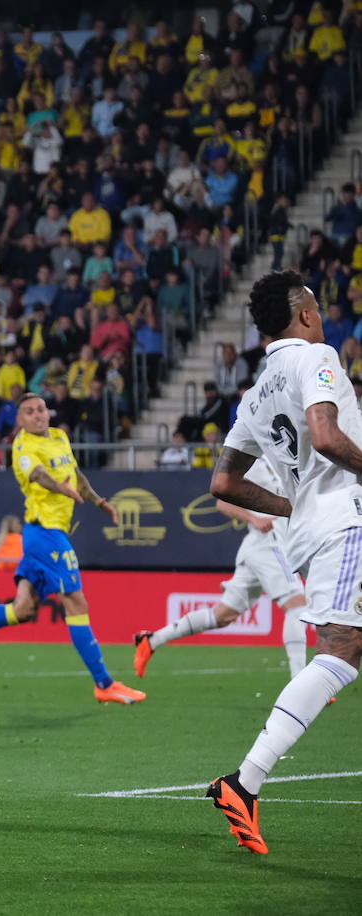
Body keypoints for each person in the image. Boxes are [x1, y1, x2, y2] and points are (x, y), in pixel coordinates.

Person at [204, 269, 362, 855]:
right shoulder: (314, 357)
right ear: (304, 314)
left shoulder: (255, 391)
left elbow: (223, 482)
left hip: (311, 531)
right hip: (345, 520)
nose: (321, 315)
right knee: (341, 647)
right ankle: (244, 782)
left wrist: (287, 504)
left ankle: (244, 784)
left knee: (349, 644)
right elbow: (324, 436)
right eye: (316, 306)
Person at [0, 391, 147, 705]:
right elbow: (38, 475)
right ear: (20, 419)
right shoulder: (23, 446)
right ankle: (104, 683)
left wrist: (99, 502)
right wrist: (60, 487)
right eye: (30, 411)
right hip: (45, 535)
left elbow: (77, 475)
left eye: (41, 409)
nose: (38, 415)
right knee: (76, 602)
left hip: (42, 533)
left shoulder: (59, 437)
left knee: (22, 609)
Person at [134, 462, 307, 678]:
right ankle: (300, 679)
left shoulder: (282, 457)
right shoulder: (252, 461)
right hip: (267, 544)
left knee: (222, 616)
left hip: (262, 547)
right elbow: (222, 503)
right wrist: (254, 518)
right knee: (297, 604)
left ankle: (152, 640)